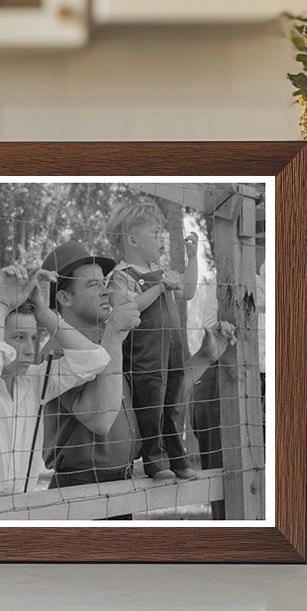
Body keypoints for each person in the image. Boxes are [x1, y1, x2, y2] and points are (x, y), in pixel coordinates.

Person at [0, 263, 112, 502]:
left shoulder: (34, 381)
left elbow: (95, 359)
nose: (30, 350)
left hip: (19, 509)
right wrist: (0, 305)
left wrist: (44, 312)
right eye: (18, 337)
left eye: (33, 337)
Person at [106, 198, 199, 481]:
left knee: (174, 403)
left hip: (171, 349)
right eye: (155, 233)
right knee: (151, 405)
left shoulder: (163, 271)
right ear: (133, 240)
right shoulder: (121, 276)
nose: (161, 239)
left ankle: (178, 458)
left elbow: (189, 292)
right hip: (144, 356)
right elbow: (131, 306)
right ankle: (154, 461)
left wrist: (193, 258)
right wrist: (159, 288)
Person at [39, 240, 145, 487]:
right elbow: (99, 420)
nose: (106, 291)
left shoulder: (109, 340)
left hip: (122, 481)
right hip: (80, 487)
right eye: (93, 284)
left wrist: (205, 356)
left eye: (105, 283)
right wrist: (114, 333)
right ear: (64, 297)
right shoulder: (56, 351)